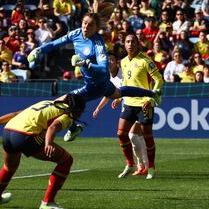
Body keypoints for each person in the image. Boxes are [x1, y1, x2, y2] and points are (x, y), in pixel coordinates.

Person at [28, 13, 161, 142]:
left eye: (90, 25)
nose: (86, 27)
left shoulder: (98, 44)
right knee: (119, 92)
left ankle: (74, 127)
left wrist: (85, 63)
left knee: (62, 102)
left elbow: (104, 68)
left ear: (96, 28)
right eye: (85, 23)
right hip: (102, 83)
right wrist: (38, 50)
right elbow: (54, 44)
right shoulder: (76, 34)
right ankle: (152, 94)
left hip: (95, 85)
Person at [0, 94, 86, 209]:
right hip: (25, 136)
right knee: (66, 160)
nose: (80, 114)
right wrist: (48, 143)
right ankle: (48, 202)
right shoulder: (67, 115)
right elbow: (53, 127)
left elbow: (16, 114)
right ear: (77, 109)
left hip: (8, 131)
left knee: (8, 168)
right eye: (81, 111)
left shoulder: (45, 103)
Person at [113, 34, 164, 180]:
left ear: (138, 44)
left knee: (147, 137)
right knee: (121, 134)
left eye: (132, 42)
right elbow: (127, 83)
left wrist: (150, 97)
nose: (130, 44)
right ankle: (130, 164)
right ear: (124, 44)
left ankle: (151, 167)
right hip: (129, 103)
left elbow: (159, 80)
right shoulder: (122, 62)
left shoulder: (146, 61)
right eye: (127, 42)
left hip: (144, 104)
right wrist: (120, 97)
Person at [92, 53, 149, 177]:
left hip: (139, 104)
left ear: (116, 62)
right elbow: (108, 95)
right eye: (107, 61)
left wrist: (119, 98)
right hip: (128, 107)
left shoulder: (123, 72)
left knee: (133, 135)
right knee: (135, 136)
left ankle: (144, 165)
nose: (109, 62)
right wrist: (98, 108)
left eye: (112, 60)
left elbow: (132, 87)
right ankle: (143, 166)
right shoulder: (109, 79)